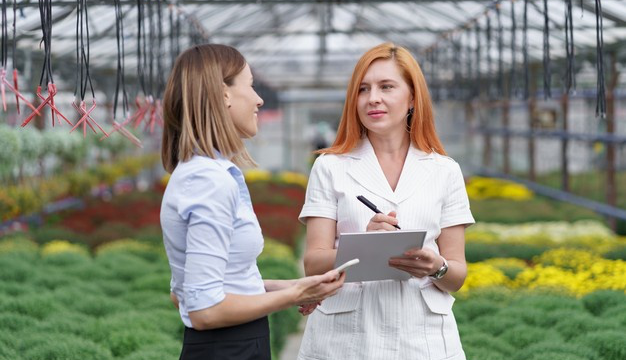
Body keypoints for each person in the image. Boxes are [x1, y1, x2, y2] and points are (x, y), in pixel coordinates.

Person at [160, 44, 345, 360]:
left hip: (233, 345)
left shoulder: (207, 172)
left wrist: (293, 287)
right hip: (228, 349)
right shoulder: (209, 180)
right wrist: (295, 295)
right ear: (224, 95)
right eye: (250, 84)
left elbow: (189, 293)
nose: (259, 99)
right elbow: (204, 310)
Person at [297, 43, 475, 360]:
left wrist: (436, 267)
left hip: (421, 338)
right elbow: (313, 261)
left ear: (412, 98)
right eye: (363, 89)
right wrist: (364, 244)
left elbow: (456, 276)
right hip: (346, 339)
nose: (373, 98)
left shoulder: (444, 171)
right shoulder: (330, 167)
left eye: (386, 87)